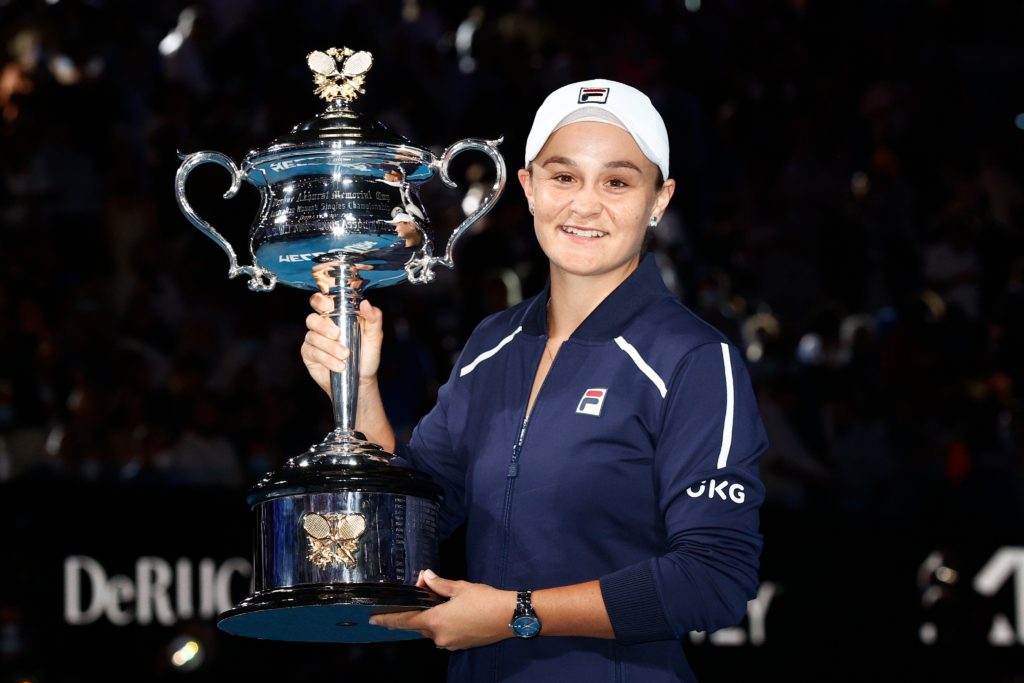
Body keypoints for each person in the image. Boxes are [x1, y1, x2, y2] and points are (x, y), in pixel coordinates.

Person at [300, 78, 768, 682]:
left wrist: (517, 615)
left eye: (618, 182)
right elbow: (406, 528)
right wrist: (360, 388)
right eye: (563, 176)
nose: (585, 205)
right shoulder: (491, 345)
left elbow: (714, 579)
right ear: (527, 186)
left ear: (660, 199)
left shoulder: (695, 359)